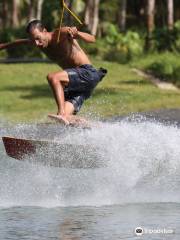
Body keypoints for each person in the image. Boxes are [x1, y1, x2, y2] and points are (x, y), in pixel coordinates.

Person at [0, 20, 107, 124]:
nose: (37, 44)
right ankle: (93, 128)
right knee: (65, 120)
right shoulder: (37, 42)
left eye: (38, 38)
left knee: (53, 77)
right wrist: (3, 46)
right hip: (79, 85)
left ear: (45, 31)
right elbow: (16, 43)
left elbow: (92, 39)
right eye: (33, 41)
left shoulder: (62, 33)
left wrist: (77, 33)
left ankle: (61, 113)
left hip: (88, 73)